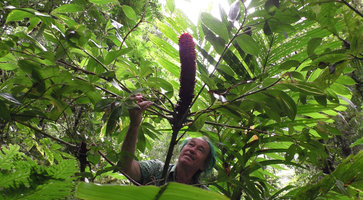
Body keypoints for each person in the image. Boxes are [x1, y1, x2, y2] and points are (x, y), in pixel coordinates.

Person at [120, 93, 216, 189]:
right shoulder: (157, 169)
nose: (192, 150)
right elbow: (127, 169)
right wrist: (134, 124)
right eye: (191, 144)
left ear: (204, 165)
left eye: (200, 149)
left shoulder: (203, 193)